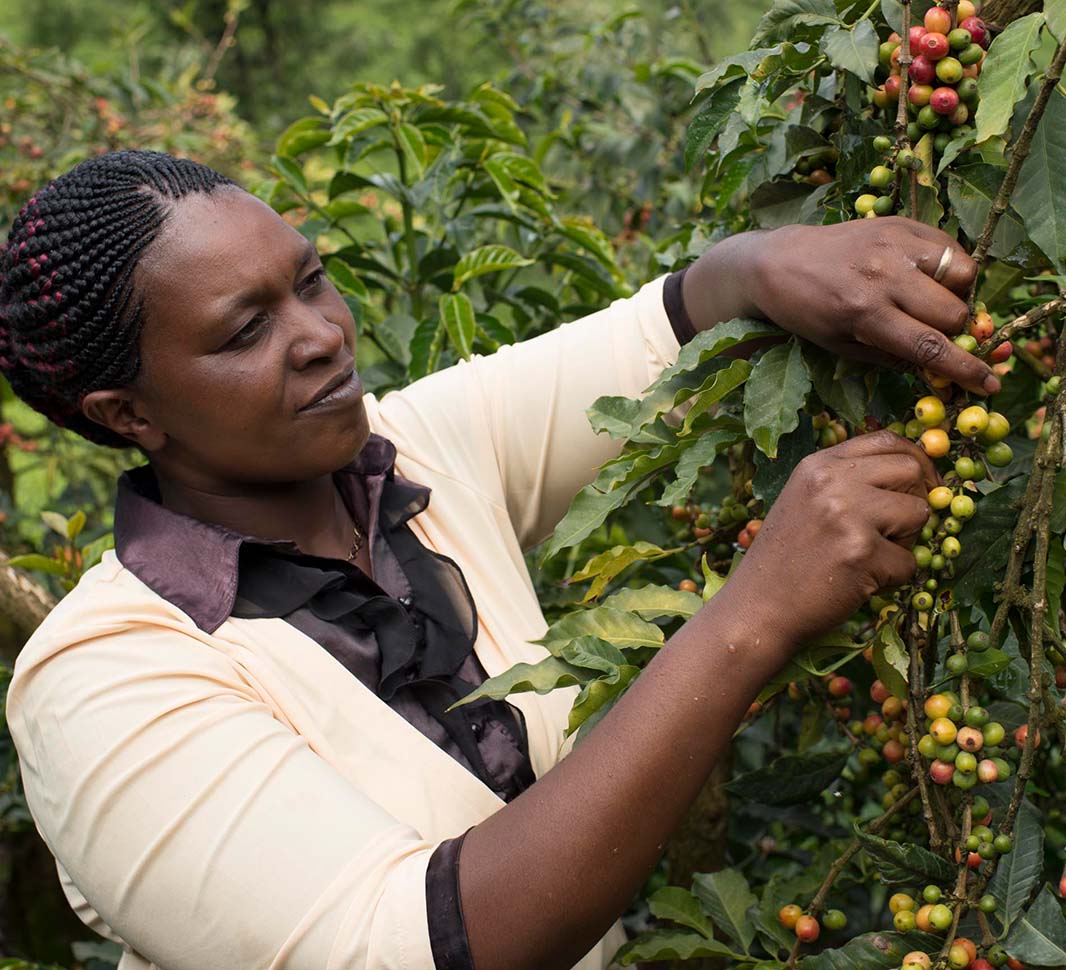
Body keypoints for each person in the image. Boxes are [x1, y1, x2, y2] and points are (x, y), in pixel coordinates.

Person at [0, 150, 989, 970]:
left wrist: (769, 262)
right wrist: (749, 618)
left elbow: (670, 327)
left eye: (310, 281)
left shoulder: (406, 456)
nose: (323, 337)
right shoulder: (104, 681)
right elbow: (414, 947)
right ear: (127, 414)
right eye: (246, 331)